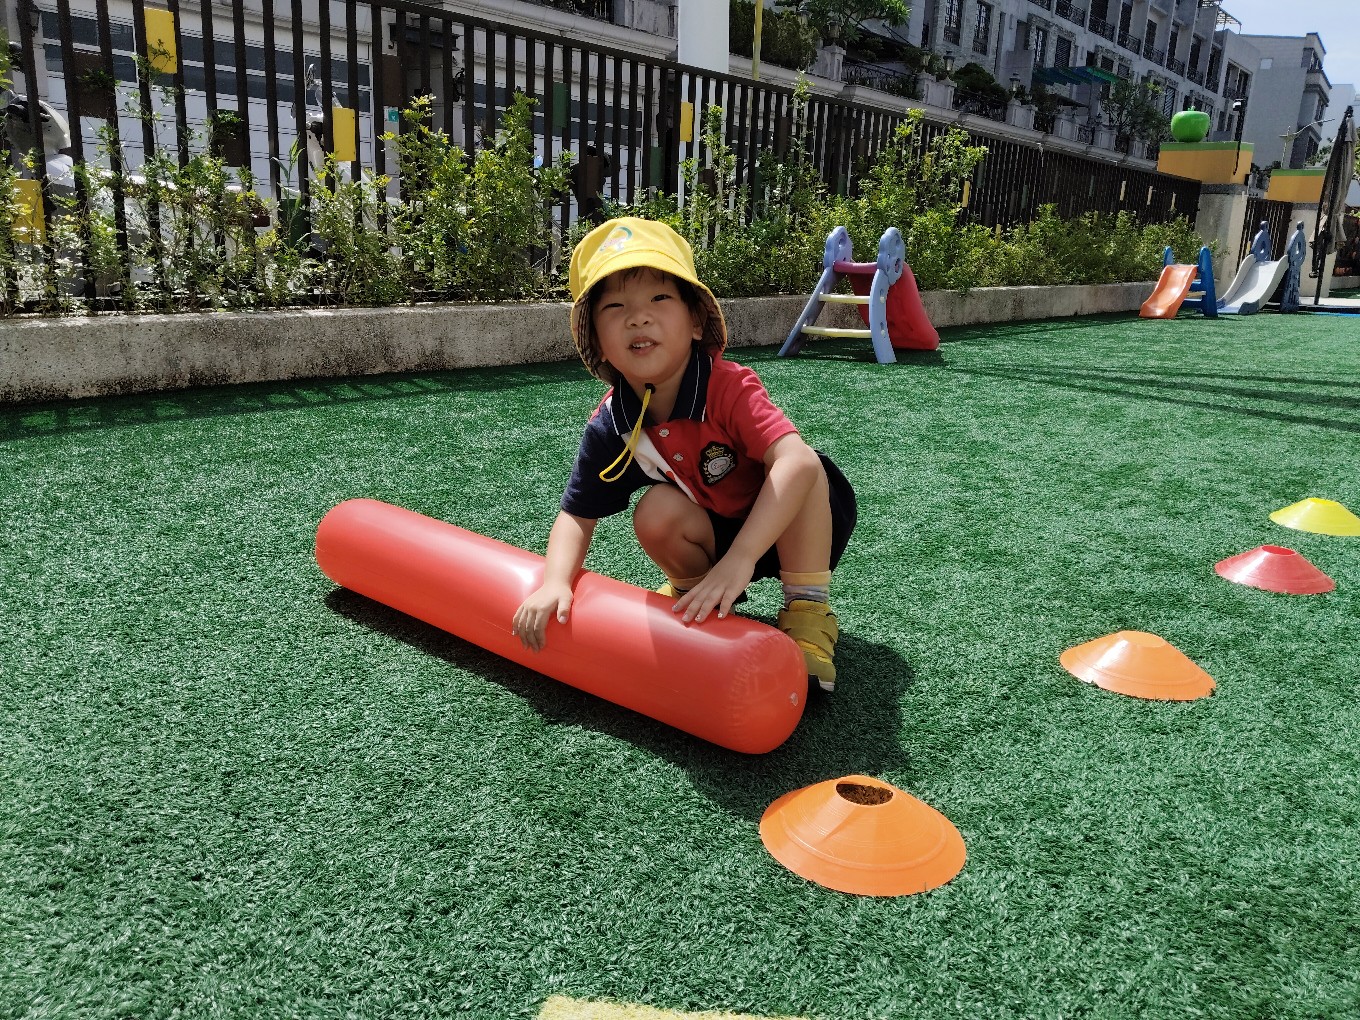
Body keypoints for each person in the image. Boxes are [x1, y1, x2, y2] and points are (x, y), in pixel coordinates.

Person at [511, 217, 856, 691]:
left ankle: (808, 613)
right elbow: (577, 515)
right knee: (654, 512)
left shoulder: (725, 385)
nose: (638, 317)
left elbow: (795, 463)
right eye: (615, 306)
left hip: (794, 525)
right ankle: (698, 598)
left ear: (695, 322)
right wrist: (555, 582)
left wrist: (741, 558)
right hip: (714, 528)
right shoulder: (614, 421)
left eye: (659, 298)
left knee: (805, 463)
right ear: (598, 343)